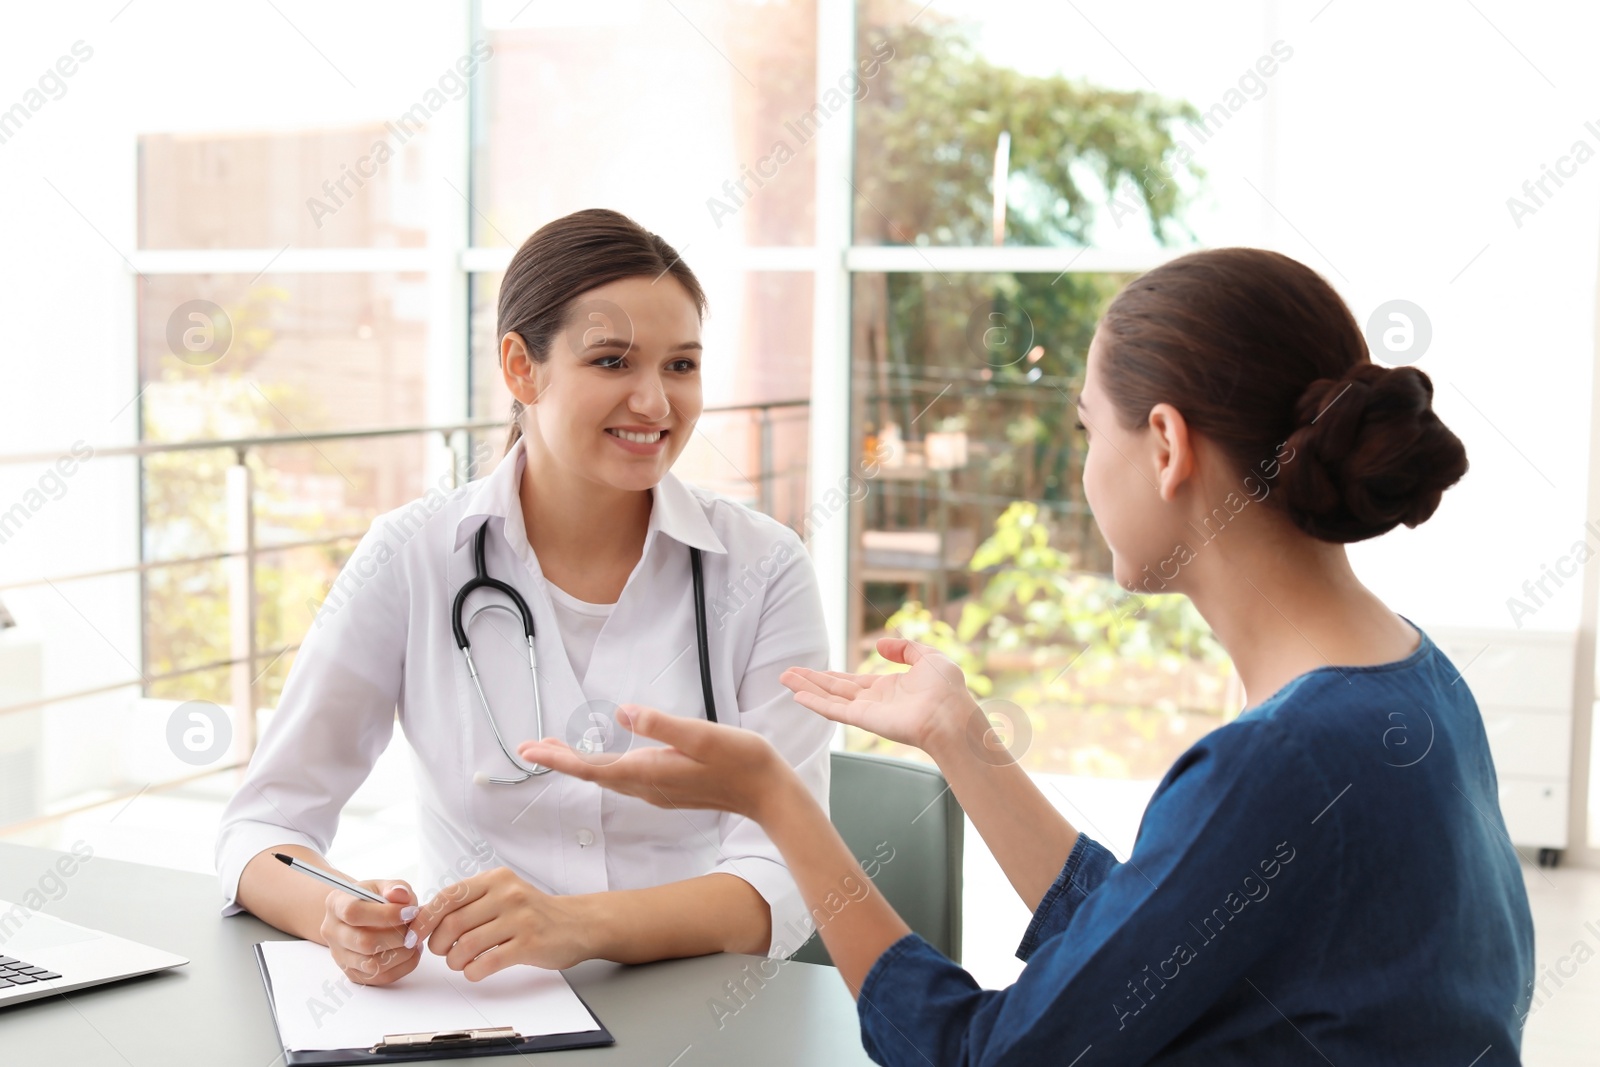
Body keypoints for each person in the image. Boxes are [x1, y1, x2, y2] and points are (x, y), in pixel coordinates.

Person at [520, 248, 1537, 1065]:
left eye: (1088, 427)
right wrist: (962, 739)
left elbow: (983, 1053)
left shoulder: (1279, 763)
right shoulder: (1415, 683)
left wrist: (779, 800)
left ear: (1167, 446)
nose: (1083, 465)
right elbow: (1146, 937)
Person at [215, 208, 833, 987]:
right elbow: (263, 826)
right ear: (520, 367)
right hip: (486, 1012)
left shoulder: (764, 568)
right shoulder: (413, 557)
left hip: (700, 1009)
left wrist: (575, 927)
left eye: (680, 366)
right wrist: (332, 912)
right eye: (613, 362)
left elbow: (787, 880)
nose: (655, 402)